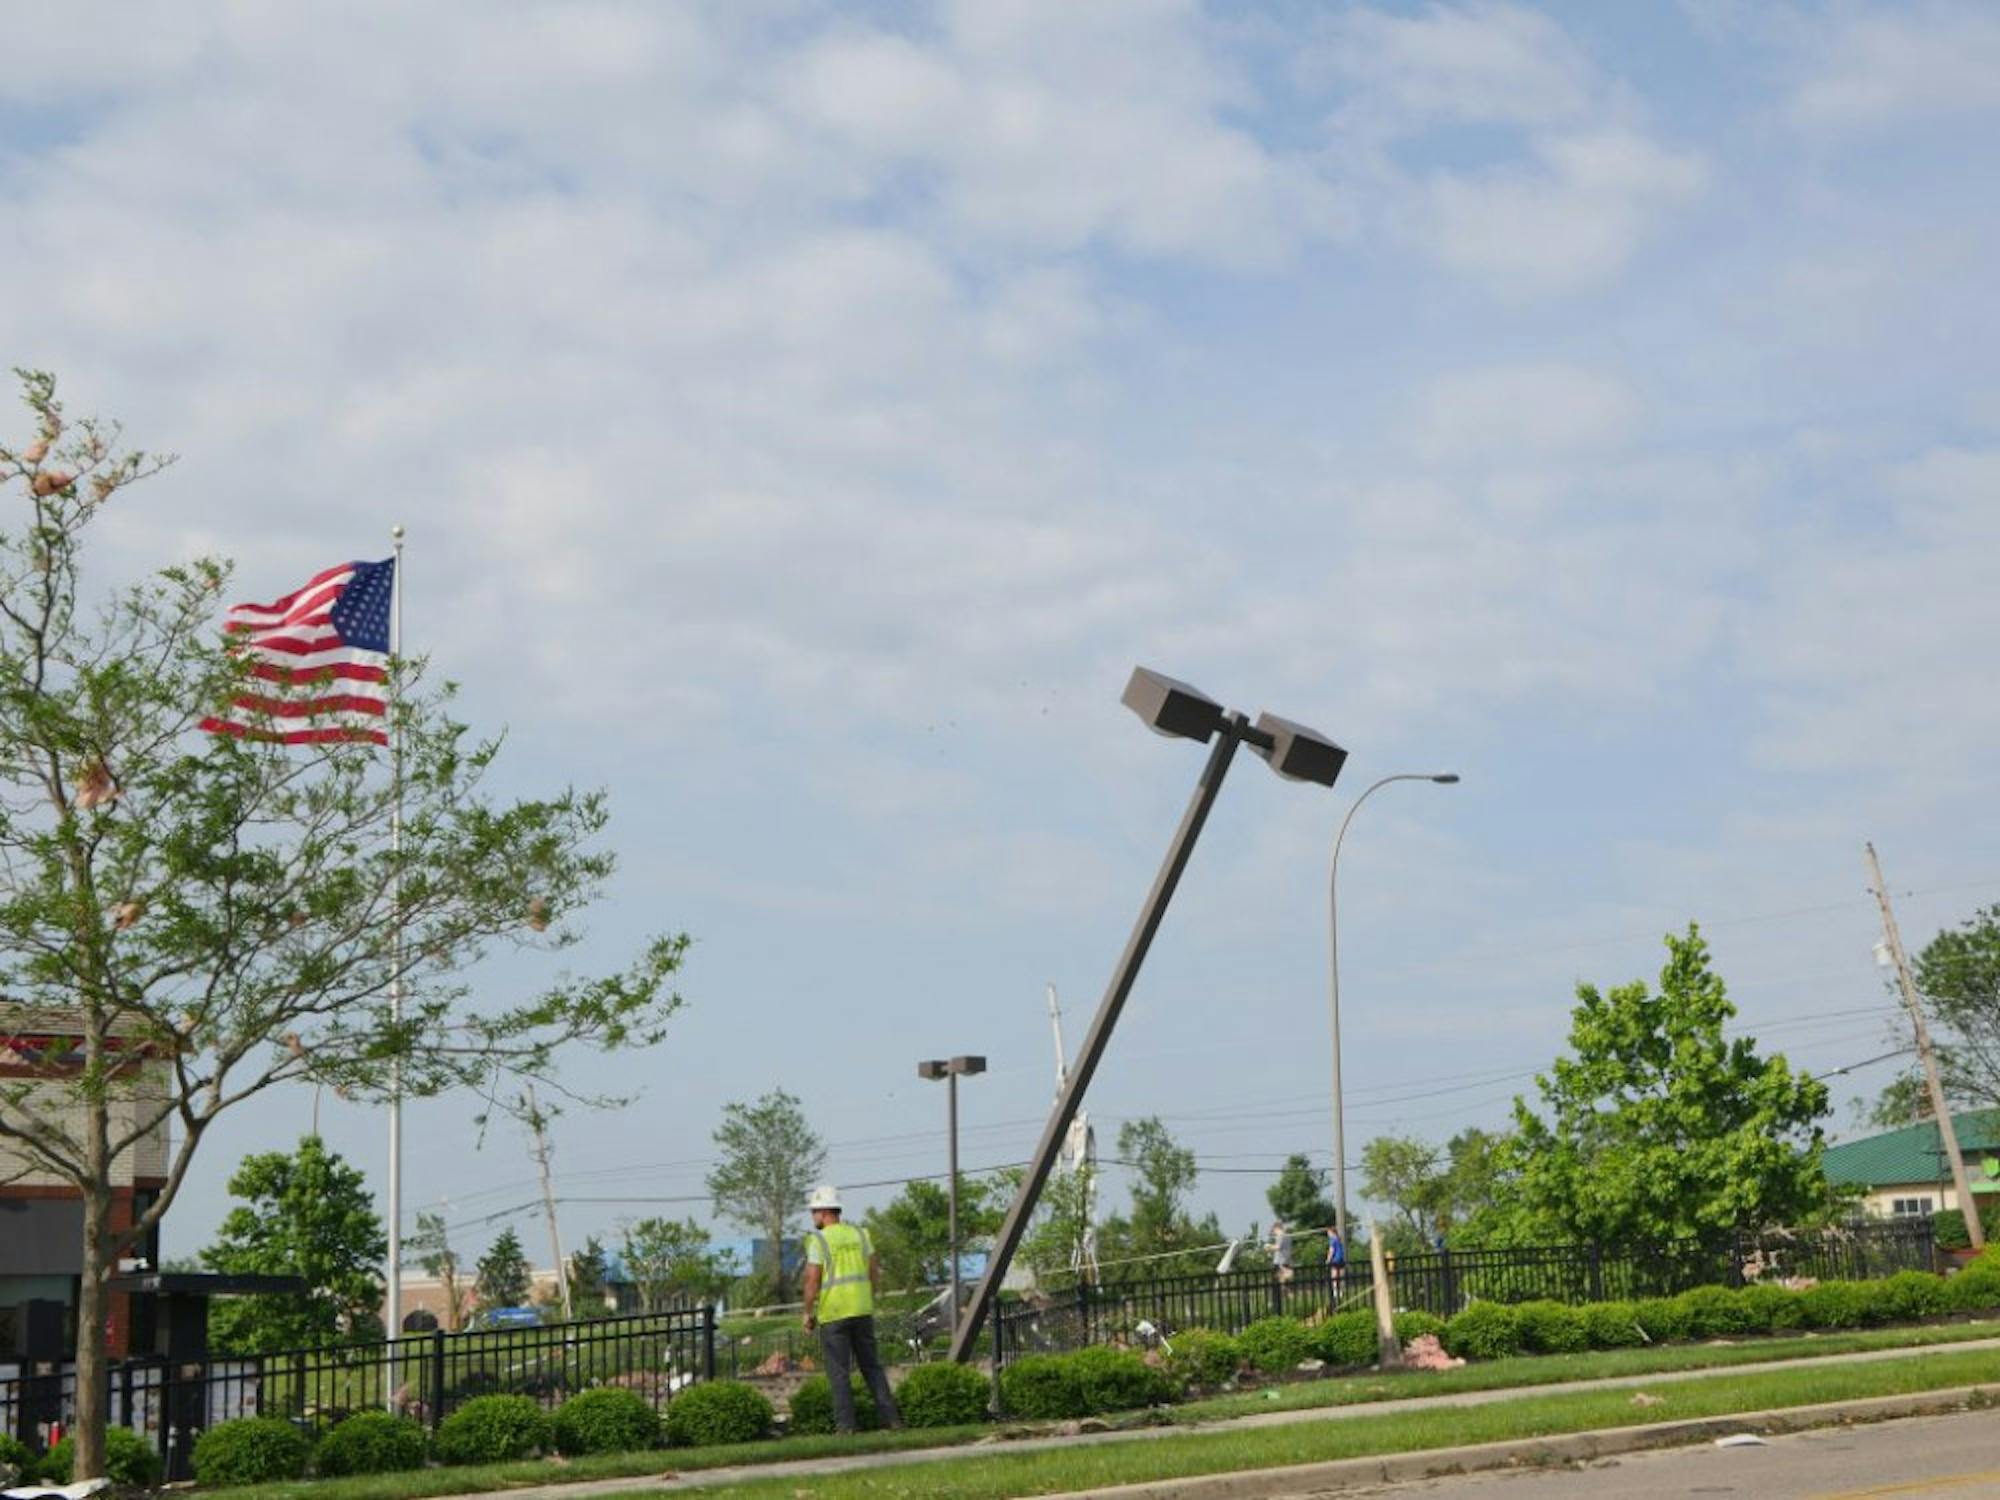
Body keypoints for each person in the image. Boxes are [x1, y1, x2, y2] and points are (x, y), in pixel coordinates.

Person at [800, 1183, 902, 1434]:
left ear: (824, 1212)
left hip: (834, 1314)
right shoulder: (861, 1234)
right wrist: (869, 1296)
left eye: (814, 1211)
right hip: (862, 1310)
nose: (813, 1216)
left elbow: (812, 1279)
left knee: (838, 1372)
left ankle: (846, 1427)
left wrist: (808, 1312)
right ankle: (892, 1420)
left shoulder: (818, 1240)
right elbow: (874, 1271)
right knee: (872, 1367)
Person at [1268, 1219, 1294, 1284]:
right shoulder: (1288, 1236)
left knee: (1277, 1281)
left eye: (1273, 1230)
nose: (1274, 1232)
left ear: (1276, 1228)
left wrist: (1269, 1247)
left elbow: (1278, 1247)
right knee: (1284, 1282)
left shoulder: (1280, 1236)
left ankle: (1288, 1274)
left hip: (1279, 1262)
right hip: (1286, 1260)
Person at [1325, 1223, 1347, 1302]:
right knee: (1340, 1277)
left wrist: (1328, 1259)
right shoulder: (1338, 1239)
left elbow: (1331, 1250)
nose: (1328, 1235)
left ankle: (1335, 1292)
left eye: (1328, 1233)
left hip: (1335, 1260)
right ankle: (1341, 1291)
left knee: (1334, 1276)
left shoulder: (1333, 1240)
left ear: (1331, 1232)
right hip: (1341, 1259)